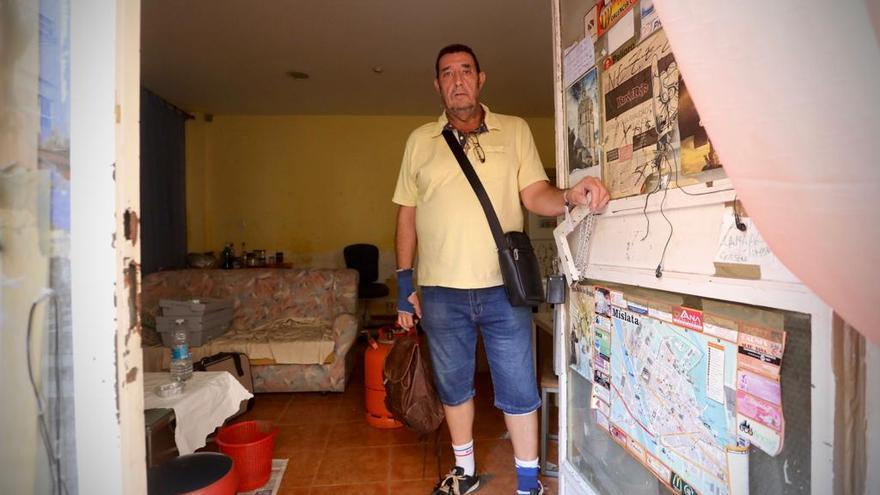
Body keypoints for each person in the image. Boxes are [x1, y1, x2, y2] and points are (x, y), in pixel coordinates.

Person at [392, 44, 610, 495]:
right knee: (454, 387)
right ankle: (465, 471)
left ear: (481, 78)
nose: (457, 80)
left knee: (518, 387)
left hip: (503, 290)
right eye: (447, 73)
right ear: (437, 85)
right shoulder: (419, 142)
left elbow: (535, 195)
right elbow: (406, 217)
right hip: (439, 292)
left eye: (465, 71)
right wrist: (403, 282)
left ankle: (528, 484)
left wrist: (570, 194)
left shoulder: (514, 131)